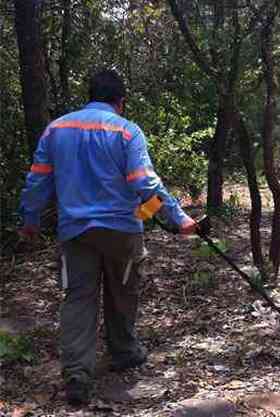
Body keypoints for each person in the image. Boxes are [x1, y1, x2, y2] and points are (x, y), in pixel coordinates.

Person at [18, 70, 197, 405]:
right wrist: (178, 217)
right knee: (123, 292)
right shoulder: (127, 131)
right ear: (121, 101)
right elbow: (144, 184)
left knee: (78, 299)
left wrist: (30, 220)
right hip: (122, 230)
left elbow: (37, 181)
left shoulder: (57, 129)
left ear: (90, 95)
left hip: (76, 231)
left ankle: (77, 376)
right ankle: (125, 352)